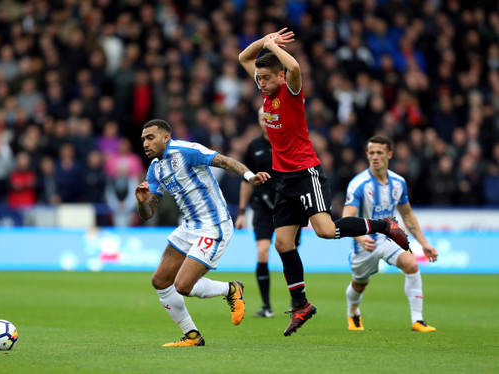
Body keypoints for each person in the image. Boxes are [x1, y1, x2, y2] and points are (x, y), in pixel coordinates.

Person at [238, 28, 409, 336]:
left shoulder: (289, 91)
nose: (261, 83)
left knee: (326, 231)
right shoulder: (267, 88)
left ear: (279, 76)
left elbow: (295, 68)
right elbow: (243, 57)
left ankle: (384, 225)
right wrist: (264, 42)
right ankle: (301, 304)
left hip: (307, 173)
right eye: (258, 79)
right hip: (283, 179)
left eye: (266, 78)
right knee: (282, 243)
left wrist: (275, 48)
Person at [135, 119, 270, 347]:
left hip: (213, 225)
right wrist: (141, 202)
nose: (145, 144)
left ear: (166, 137)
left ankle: (231, 289)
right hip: (189, 227)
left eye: (150, 138)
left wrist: (250, 177)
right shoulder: (155, 168)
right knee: (159, 281)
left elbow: (225, 162)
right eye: (143, 140)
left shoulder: (187, 151)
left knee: (183, 286)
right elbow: (148, 213)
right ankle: (192, 336)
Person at [343, 135, 438, 332]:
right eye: (371, 153)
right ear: (367, 154)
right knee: (359, 285)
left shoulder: (398, 182)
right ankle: (353, 312)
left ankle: (417, 320)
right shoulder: (358, 184)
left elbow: (408, 215)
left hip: (389, 235)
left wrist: (424, 243)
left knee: (412, 264)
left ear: (390, 154)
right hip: (365, 241)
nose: (375, 156)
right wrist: (360, 237)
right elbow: (346, 218)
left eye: (379, 152)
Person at [235, 106, 301, 318]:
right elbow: (246, 180)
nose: (264, 121)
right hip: (262, 206)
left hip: (289, 206)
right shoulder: (254, 147)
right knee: (262, 252)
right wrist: (242, 212)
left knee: (289, 253)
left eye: (268, 118)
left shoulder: (288, 143)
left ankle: (297, 304)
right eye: (261, 118)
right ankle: (266, 307)